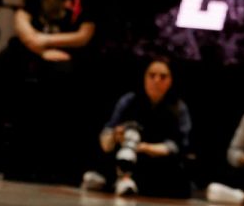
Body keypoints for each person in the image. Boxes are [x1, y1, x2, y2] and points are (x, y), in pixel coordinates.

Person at [1, 0, 98, 181]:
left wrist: (48, 41)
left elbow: (84, 35)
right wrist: (36, 43)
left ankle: (53, 166)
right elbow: (21, 17)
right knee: (0, 70)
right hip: (33, 51)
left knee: (61, 79)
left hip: (66, 56)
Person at [82, 57, 192, 198]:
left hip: (158, 163)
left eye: (163, 77)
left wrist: (144, 147)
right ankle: (116, 179)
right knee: (117, 159)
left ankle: (121, 182)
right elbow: (107, 134)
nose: (156, 80)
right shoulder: (129, 101)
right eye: (152, 75)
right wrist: (115, 136)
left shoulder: (178, 108)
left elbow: (178, 146)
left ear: (170, 80)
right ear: (144, 77)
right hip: (125, 156)